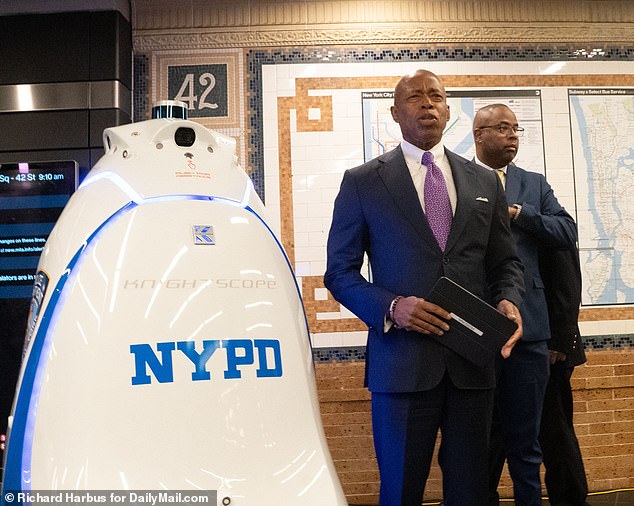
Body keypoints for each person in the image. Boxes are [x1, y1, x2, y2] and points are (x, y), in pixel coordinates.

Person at [324, 70, 525, 506]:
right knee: (400, 490)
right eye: (415, 97)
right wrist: (392, 306)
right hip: (401, 366)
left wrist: (509, 298)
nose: (427, 103)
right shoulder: (362, 183)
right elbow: (339, 273)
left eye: (436, 96)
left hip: (473, 366)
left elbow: (504, 262)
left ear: (449, 110)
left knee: (472, 491)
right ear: (396, 113)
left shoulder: (484, 181)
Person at [472, 103, 578, 506]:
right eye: (502, 128)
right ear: (479, 134)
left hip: (531, 328)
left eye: (516, 128)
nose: (512, 135)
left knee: (527, 442)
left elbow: (565, 230)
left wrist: (519, 213)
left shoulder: (534, 184)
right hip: (477, 327)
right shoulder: (458, 180)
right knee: (477, 441)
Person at [539, 244, 589, 506]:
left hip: (550, 349)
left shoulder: (550, 220)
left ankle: (571, 501)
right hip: (520, 350)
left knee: (555, 433)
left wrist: (559, 340)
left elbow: (568, 281)